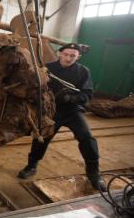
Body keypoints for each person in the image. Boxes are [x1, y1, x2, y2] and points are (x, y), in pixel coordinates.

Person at [17, 43, 107, 192]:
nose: (68, 58)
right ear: (60, 54)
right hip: (52, 111)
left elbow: (87, 94)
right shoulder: (47, 68)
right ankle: (31, 165)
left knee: (87, 138)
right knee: (41, 137)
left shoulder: (83, 71)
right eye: (66, 54)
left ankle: (94, 173)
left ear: (78, 57)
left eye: (73, 55)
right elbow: (36, 87)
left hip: (73, 111)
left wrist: (73, 98)